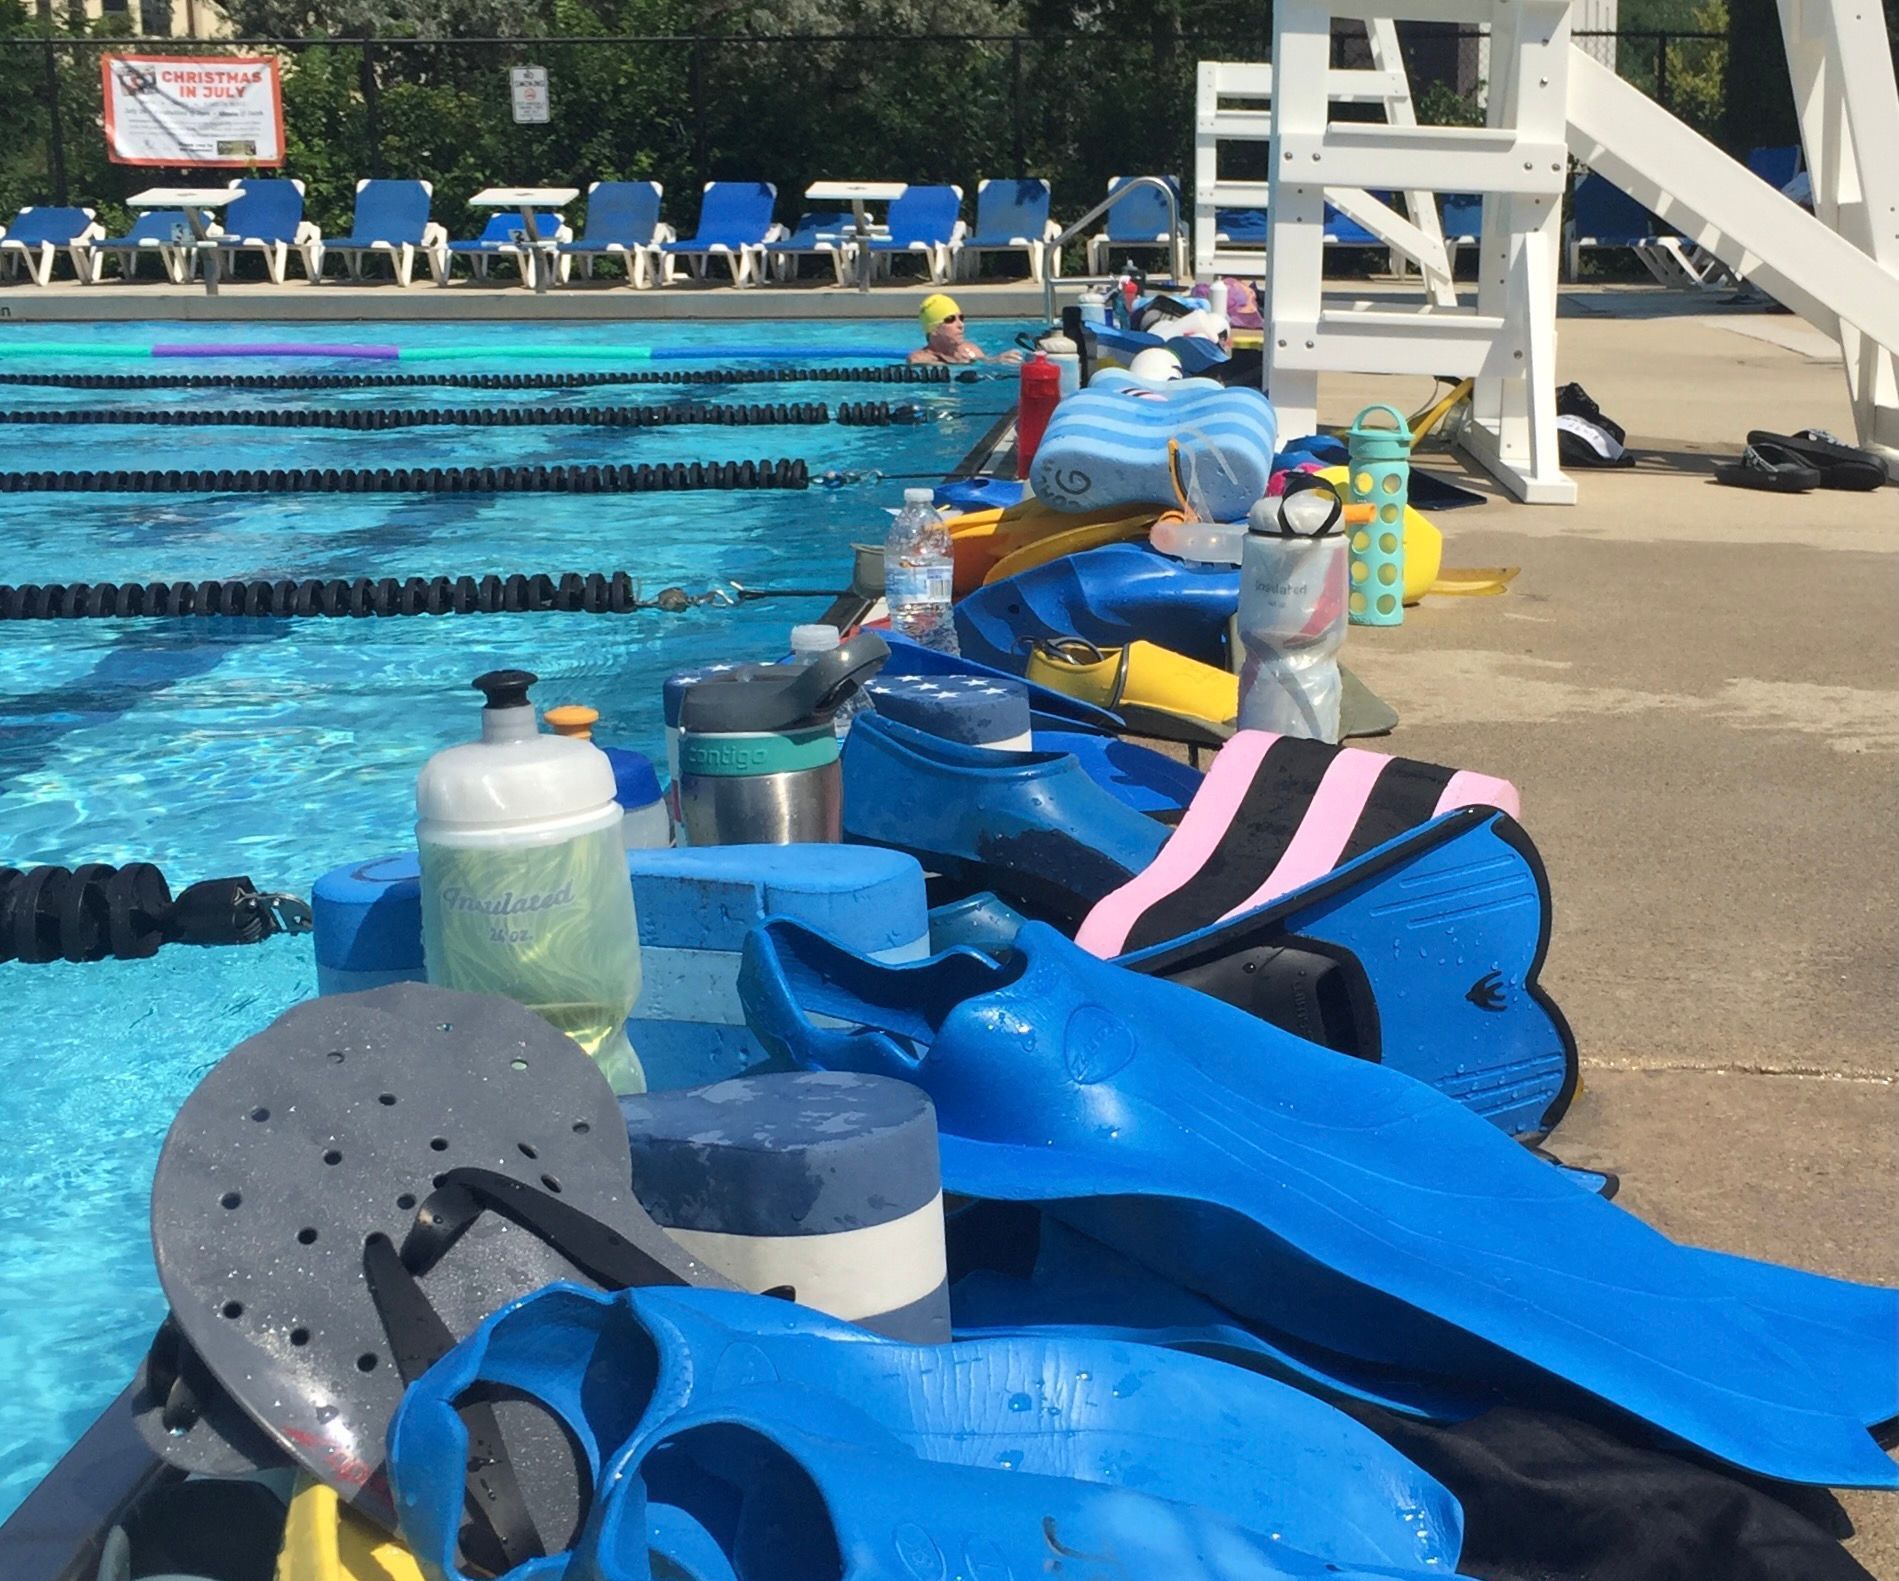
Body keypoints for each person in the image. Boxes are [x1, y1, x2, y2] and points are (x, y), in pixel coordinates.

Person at [909, 294, 1022, 365]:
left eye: (961, 318)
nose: (960, 324)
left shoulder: (970, 349)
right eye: (950, 319)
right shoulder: (919, 358)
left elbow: (987, 362)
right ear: (933, 329)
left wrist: (998, 359)